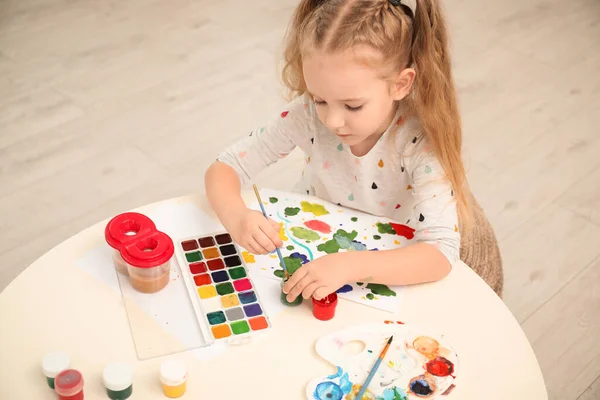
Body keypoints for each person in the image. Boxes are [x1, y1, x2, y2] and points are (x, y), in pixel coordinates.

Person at [205, 0, 503, 302]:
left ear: (401, 84)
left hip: (385, 261)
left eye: (353, 106)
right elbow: (226, 166)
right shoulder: (307, 115)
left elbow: (440, 251)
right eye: (320, 99)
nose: (332, 121)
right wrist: (238, 216)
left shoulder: (418, 143)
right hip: (312, 238)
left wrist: (349, 266)